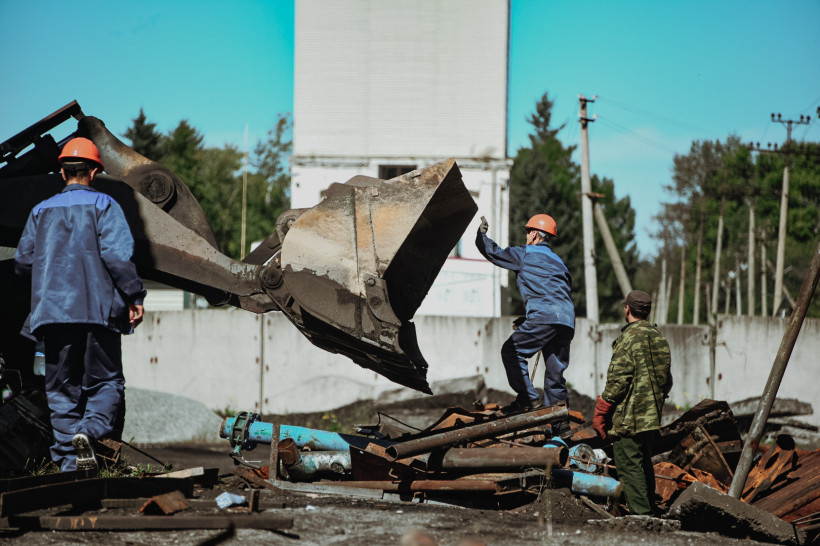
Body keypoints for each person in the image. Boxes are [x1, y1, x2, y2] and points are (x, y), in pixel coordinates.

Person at [14, 137, 146, 472]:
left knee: (61, 391)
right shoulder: (106, 206)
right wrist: (134, 296)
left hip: (52, 315)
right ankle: (88, 430)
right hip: (98, 313)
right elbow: (117, 257)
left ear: (62, 172)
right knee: (106, 383)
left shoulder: (40, 211)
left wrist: (47, 284)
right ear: (94, 172)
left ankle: (70, 467)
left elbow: (23, 262)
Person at [475, 214, 575, 412]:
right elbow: (558, 293)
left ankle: (527, 399)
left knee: (512, 351)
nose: (527, 236)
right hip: (567, 321)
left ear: (535, 234)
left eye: (528, 232)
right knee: (555, 376)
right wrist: (533, 318)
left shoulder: (525, 254)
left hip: (545, 317)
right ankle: (560, 424)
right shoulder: (559, 262)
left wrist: (481, 235)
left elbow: (494, 252)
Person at [593, 290, 672, 515]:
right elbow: (667, 381)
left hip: (628, 418)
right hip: (651, 417)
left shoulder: (627, 339)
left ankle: (642, 518)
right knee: (643, 463)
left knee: (629, 466)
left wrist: (600, 411)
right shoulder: (659, 338)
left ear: (627, 309)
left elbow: (618, 382)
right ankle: (650, 512)